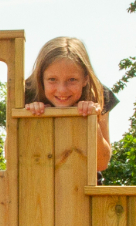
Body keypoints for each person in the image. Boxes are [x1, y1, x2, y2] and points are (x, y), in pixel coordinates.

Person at [21, 36, 112, 172]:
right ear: (41, 78)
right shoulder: (26, 93)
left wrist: (92, 121)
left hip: (83, 181)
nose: (62, 90)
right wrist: (29, 120)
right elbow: (10, 157)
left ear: (85, 79)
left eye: (72, 79)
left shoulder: (98, 94)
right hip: (38, 181)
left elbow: (101, 164)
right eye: (52, 79)